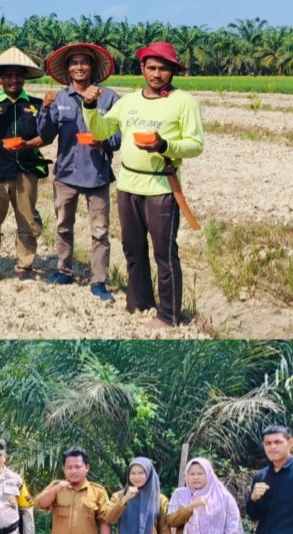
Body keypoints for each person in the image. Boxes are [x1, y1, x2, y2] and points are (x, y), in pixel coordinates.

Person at [81, 42, 205, 327]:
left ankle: (169, 314)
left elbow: (196, 145)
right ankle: (138, 303)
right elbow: (101, 130)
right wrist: (89, 106)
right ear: (142, 69)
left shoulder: (183, 102)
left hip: (161, 187)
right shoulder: (128, 102)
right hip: (128, 185)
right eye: (152, 67)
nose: (157, 74)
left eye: (164, 68)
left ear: (173, 71)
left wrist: (164, 145)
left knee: (164, 253)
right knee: (133, 248)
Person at [38, 43, 120, 301]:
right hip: (66, 173)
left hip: (97, 174)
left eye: (84, 62)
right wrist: (44, 108)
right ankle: (64, 270)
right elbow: (46, 136)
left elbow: (118, 139)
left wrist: (102, 141)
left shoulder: (109, 98)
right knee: (63, 226)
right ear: (68, 69)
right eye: (74, 63)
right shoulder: (60, 98)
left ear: (93, 67)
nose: (79, 67)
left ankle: (99, 281)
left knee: (100, 231)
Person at [0, 47, 53, 281]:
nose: (14, 80)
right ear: (0, 78)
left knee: (27, 222)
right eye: (8, 75)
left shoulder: (36, 104)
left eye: (19, 75)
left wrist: (27, 144)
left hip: (26, 171)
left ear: (25, 78)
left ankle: (24, 267)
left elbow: (46, 136)